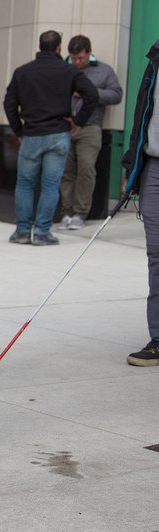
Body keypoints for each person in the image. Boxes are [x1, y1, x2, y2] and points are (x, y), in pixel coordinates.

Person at [3, 31, 98, 246]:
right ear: (59, 48)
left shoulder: (22, 72)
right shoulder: (69, 71)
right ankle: (43, 233)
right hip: (58, 134)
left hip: (31, 135)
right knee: (50, 185)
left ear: (40, 46)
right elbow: (92, 95)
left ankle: (23, 232)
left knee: (25, 184)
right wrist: (77, 121)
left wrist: (19, 130)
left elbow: (9, 104)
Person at [120, 37, 159, 367]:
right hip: (153, 167)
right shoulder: (155, 57)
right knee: (157, 255)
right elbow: (141, 114)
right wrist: (131, 164)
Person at [58, 35, 123, 230]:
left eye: (81, 58)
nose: (77, 62)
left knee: (86, 169)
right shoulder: (63, 69)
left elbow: (116, 94)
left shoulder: (104, 71)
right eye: (74, 58)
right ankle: (66, 213)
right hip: (64, 126)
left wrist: (90, 92)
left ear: (89, 53)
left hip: (90, 127)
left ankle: (80, 213)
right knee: (66, 171)